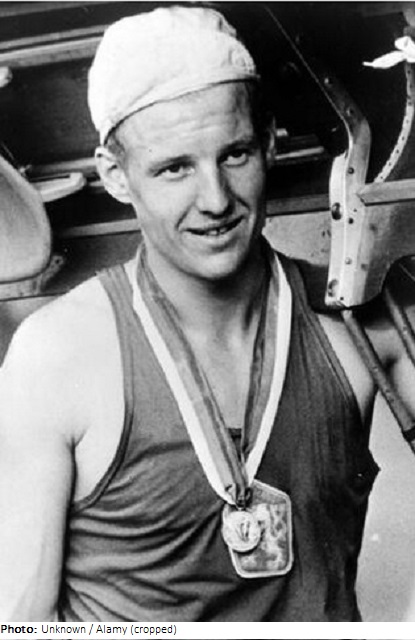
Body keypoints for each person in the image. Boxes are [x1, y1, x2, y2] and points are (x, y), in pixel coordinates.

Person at [0, 4, 414, 623]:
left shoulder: (359, 317)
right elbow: (18, 621)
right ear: (116, 175)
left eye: (235, 155)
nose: (215, 200)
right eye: (175, 169)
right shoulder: (56, 354)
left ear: (269, 144)